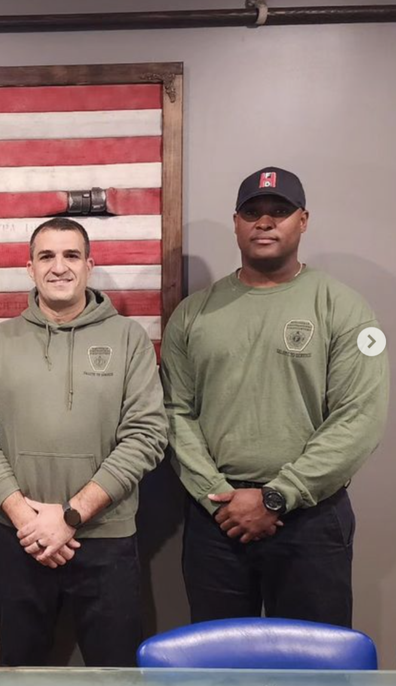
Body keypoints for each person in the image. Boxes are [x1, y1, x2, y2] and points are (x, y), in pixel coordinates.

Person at [161, 166, 390, 627]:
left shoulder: (342, 307)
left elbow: (357, 417)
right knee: (219, 670)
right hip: (217, 520)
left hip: (310, 519)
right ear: (236, 222)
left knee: (314, 670)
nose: (265, 222)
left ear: (302, 220)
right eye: (253, 212)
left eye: (279, 211)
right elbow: (174, 413)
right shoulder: (192, 314)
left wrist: (277, 496)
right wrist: (218, 495)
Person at [0, 218, 167, 666]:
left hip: (106, 539)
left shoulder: (129, 339)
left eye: (71, 255)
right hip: (20, 540)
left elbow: (147, 435)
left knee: (116, 674)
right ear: (30, 268)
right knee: (22, 671)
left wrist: (71, 515)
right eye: (47, 256)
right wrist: (24, 517)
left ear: (90, 266)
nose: (60, 267)